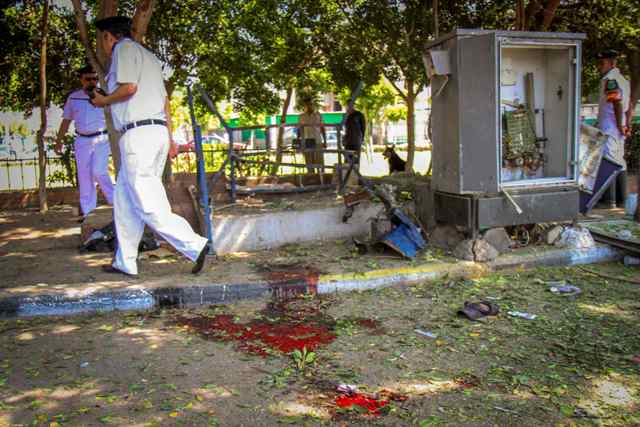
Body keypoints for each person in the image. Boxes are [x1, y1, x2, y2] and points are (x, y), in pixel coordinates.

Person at [90, 16, 209, 276]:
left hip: (138, 134)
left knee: (146, 201)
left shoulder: (124, 49)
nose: (103, 45)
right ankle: (125, 261)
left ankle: (195, 245)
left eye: (103, 39)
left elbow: (129, 88)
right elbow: (165, 102)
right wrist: (170, 138)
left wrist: (105, 100)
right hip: (153, 132)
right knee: (125, 201)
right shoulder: (149, 57)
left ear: (110, 36)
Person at [55, 65, 114, 218]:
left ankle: (115, 201)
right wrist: (59, 141)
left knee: (99, 171)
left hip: (102, 139)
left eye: (95, 78)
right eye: (88, 79)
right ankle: (88, 213)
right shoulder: (73, 97)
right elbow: (66, 121)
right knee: (84, 177)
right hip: (82, 141)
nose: (92, 81)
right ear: (81, 80)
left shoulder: (105, 96)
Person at [596, 50, 631, 207]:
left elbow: (616, 103)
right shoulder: (623, 80)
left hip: (611, 125)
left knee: (609, 159)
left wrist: (619, 125)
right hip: (619, 125)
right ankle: (622, 199)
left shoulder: (610, 80)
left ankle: (609, 200)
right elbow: (629, 105)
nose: (599, 67)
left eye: (602, 63)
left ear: (612, 63)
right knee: (619, 160)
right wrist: (626, 124)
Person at [298, 99, 326, 174]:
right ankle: (311, 177)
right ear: (305, 106)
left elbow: (323, 128)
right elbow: (300, 130)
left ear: (313, 105)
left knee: (319, 160)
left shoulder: (318, 115)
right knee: (309, 161)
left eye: (311, 104)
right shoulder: (301, 116)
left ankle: (322, 177)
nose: (309, 106)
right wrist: (299, 141)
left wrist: (325, 141)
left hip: (317, 141)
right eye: (307, 104)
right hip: (307, 141)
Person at [343, 104, 365, 169]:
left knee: (356, 159)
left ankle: (356, 176)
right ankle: (347, 176)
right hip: (348, 141)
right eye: (347, 106)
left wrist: (362, 139)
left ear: (353, 106)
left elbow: (363, 128)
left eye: (351, 105)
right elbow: (344, 127)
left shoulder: (359, 115)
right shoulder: (345, 115)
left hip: (356, 141)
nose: (349, 107)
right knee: (347, 159)